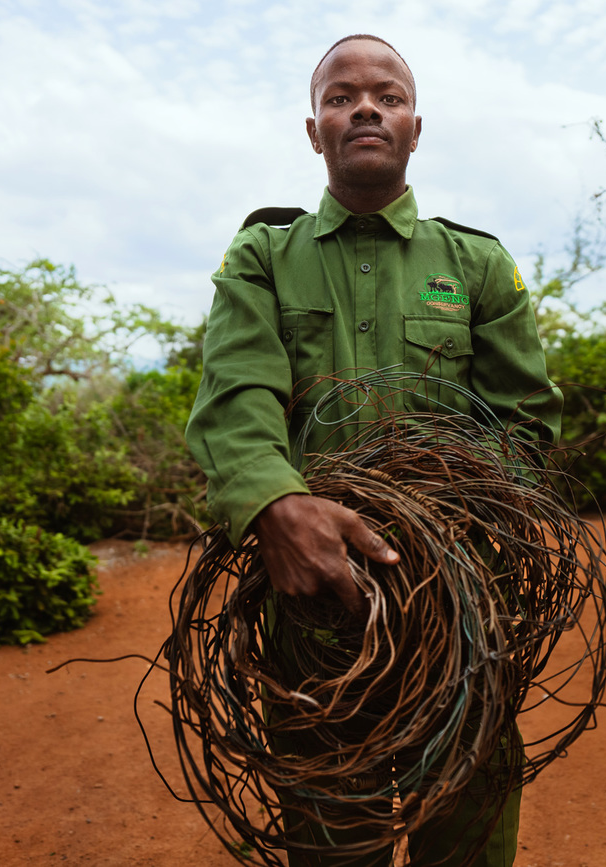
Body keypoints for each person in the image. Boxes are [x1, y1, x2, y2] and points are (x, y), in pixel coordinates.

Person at [185, 33, 561, 867]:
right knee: (330, 833)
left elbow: (525, 425)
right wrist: (277, 505)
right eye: (341, 95)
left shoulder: (477, 264)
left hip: (462, 617)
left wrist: (448, 543)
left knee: (465, 824)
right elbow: (236, 393)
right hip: (312, 612)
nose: (364, 106)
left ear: (415, 129)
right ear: (313, 131)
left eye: (387, 96)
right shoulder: (262, 256)